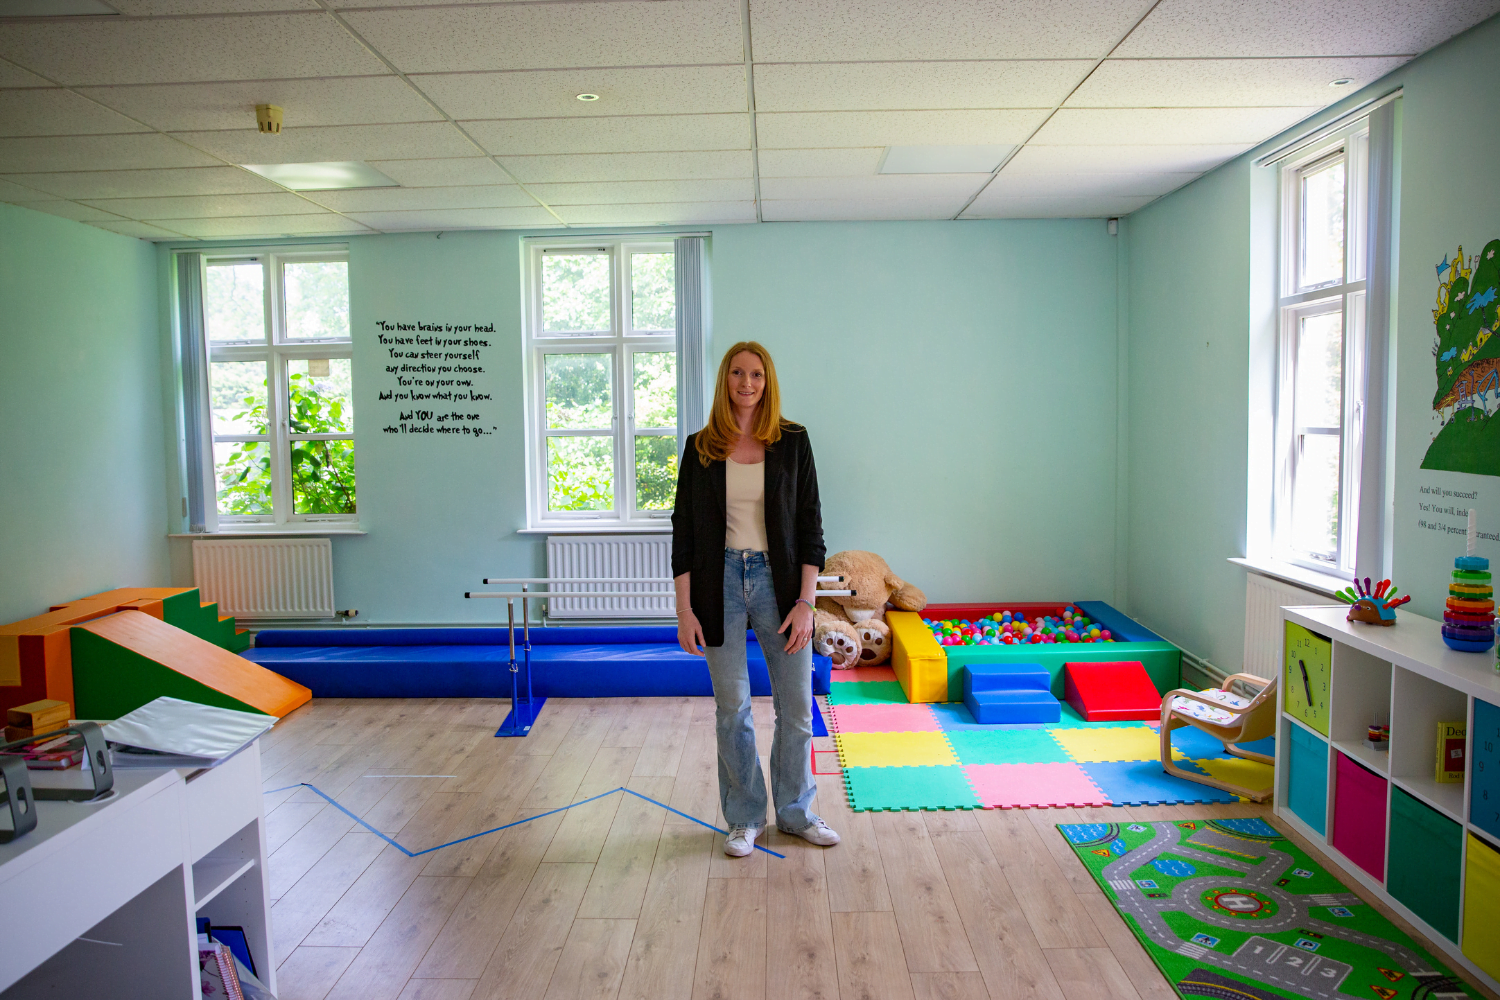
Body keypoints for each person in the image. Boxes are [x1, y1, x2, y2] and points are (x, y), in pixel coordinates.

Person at [671, 341, 840, 857]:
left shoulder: (792, 441)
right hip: (717, 582)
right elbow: (682, 533)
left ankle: (796, 813)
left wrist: (807, 602)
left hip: (780, 585)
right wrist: (684, 609)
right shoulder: (700, 446)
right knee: (733, 709)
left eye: (757, 375)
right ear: (725, 380)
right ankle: (744, 817)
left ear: (768, 382)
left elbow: (811, 527)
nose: (747, 383)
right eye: (738, 373)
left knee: (796, 709)